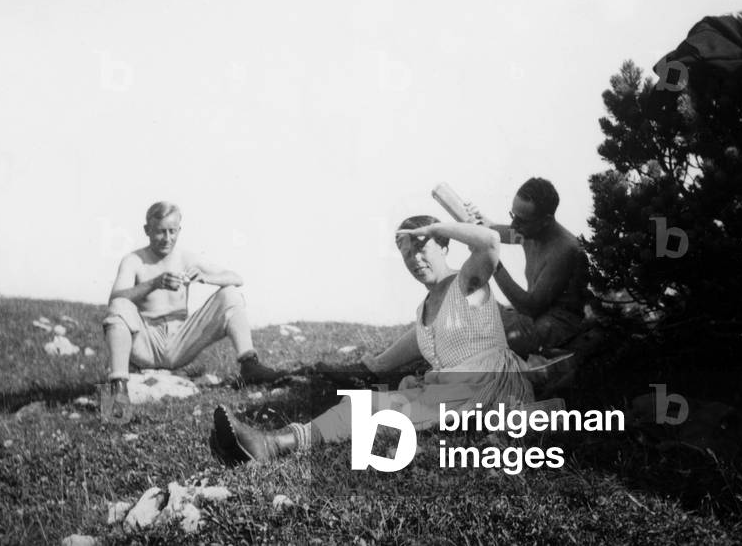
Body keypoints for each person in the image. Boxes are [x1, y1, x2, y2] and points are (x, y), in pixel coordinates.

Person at [211, 216, 533, 463]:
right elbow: (389, 358)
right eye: (406, 253)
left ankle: (271, 445)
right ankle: (267, 442)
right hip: (459, 393)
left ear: (444, 245)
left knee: (367, 409)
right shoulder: (424, 308)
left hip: (491, 386)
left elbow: (490, 241)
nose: (414, 259)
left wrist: (438, 226)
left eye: (422, 246)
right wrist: (352, 369)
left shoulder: (466, 281)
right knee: (364, 402)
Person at [102, 202, 282, 415]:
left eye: (172, 231)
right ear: (147, 230)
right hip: (146, 342)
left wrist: (206, 277)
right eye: (160, 232)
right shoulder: (134, 260)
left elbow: (236, 278)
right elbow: (116, 298)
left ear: (179, 230)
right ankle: (119, 390)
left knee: (230, 294)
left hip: (180, 342)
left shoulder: (185, 257)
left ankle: (249, 365)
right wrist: (154, 283)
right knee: (120, 306)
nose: (167, 238)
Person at [465, 177, 588, 358]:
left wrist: (492, 263)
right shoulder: (528, 232)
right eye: (513, 215)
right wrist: (475, 220)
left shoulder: (564, 250)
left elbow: (530, 307)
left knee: (487, 342)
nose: (514, 225)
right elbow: (492, 232)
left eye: (521, 220)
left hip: (558, 324)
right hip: (533, 318)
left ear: (545, 221)